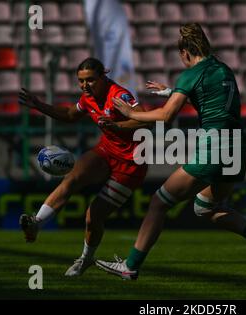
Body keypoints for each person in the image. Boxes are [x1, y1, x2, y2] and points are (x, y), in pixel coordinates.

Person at [95, 23, 246, 280]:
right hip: (238, 147)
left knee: (158, 203)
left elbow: (167, 116)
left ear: (185, 52)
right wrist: (172, 91)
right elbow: (208, 98)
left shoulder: (191, 74)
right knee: (205, 206)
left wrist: (130, 113)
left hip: (215, 146)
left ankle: (131, 266)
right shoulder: (223, 69)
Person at [18, 57, 149, 276]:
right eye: (81, 81)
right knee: (72, 178)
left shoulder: (119, 95)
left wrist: (117, 125)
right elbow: (70, 115)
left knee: (93, 216)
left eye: (90, 80)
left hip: (132, 162)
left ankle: (86, 259)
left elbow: (146, 119)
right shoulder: (88, 98)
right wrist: (39, 105)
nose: (85, 85)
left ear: (103, 77)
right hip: (106, 151)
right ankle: (37, 222)